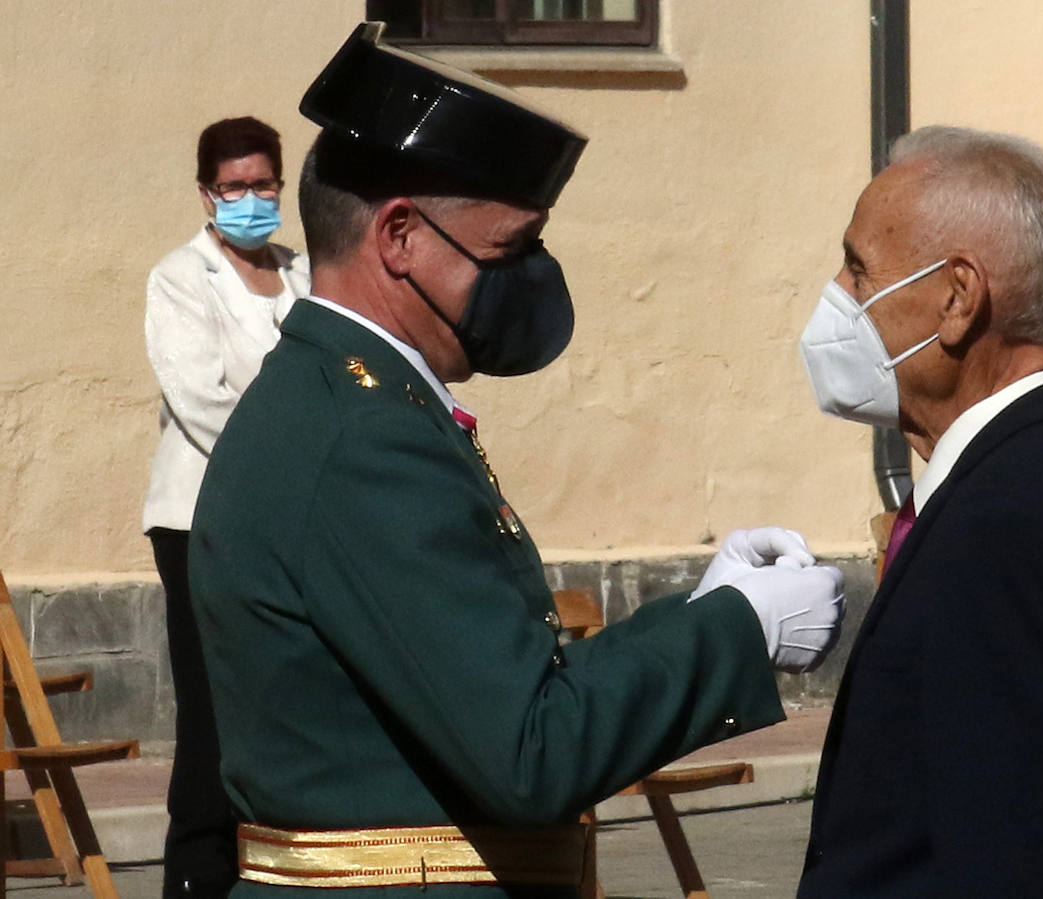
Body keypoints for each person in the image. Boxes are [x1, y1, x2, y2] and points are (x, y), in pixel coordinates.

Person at [187, 23, 844, 896]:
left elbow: (500, 677)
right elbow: (531, 750)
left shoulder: (355, 399)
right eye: (508, 251)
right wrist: (742, 628)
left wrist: (701, 607)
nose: (527, 277)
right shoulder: (364, 436)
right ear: (399, 238)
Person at [796, 126, 1043, 896]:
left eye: (859, 267)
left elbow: (1021, 851)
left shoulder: (1011, 521)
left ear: (957, 297)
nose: (839, 294)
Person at [143, 115, 309, 898]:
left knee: (282, 707)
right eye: (234, 187)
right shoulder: (181, 276)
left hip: (298, 522)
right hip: (204, 521)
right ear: (208, 193)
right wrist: (297, 451)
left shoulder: (307, 276)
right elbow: (202, 398)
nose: (250, 198)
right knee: (213, 714)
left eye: (263, 184)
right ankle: (198, 876)